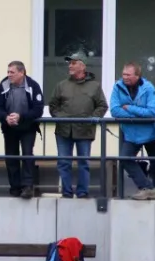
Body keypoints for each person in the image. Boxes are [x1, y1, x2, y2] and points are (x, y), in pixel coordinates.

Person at [49, 51, 108, 198]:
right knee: (64, 162)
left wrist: (94, 117)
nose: (70, 65)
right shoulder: (61, 85)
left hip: (84, 130)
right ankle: (67, 192)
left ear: (82, 66)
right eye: (70, 63)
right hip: (64, 131)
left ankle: (82, 192)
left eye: (73, 63)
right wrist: (61, 117)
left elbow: (102, 106)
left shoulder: (94, 86)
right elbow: (53, 106)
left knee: (84, 163)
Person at [110, 62, 155, 200]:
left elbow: (151, 112)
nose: (125, 77)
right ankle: (147, 187)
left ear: (137, 76)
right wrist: (137, 115)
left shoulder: (148, 88)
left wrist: (129, 108)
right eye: (123, 74)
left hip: (151, 132)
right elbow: (114, 110)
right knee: (125, 159)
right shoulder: (118, 87)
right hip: (131, 134)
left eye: (128, 75)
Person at [0, 61, 44, 199]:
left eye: (12, 72)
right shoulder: (3, 85)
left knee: (27, 155)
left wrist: (21, 117)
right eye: (8, 72)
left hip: (28, 127)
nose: (9, 75)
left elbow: (38, 109)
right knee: (11, 157)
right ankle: (14, 187)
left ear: (22, 72)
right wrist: (5, 117)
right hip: (9, 128)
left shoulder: (33, 86)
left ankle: (27, 186)